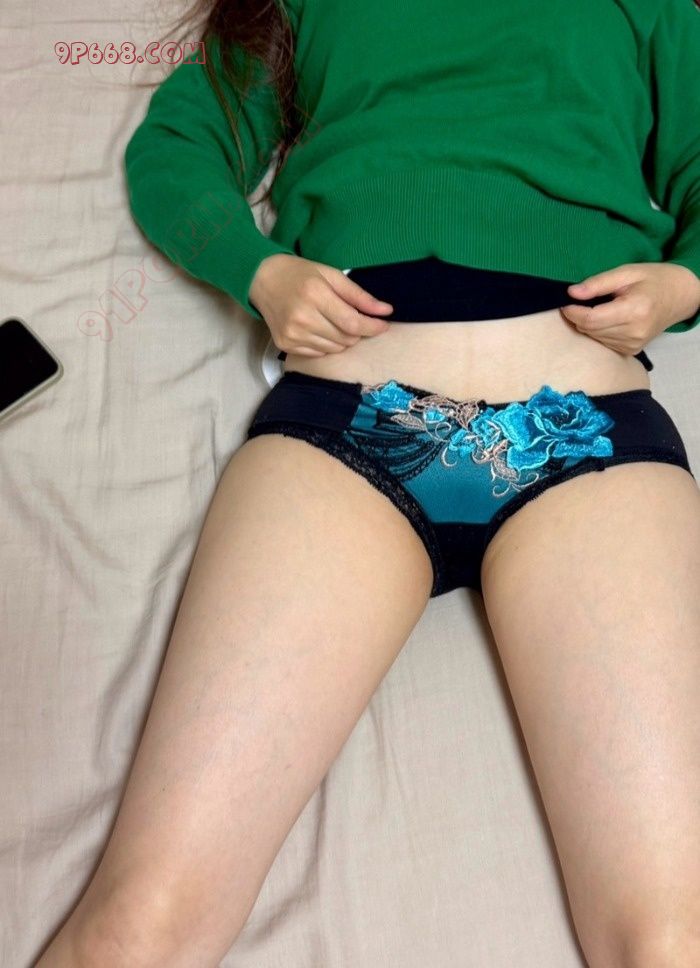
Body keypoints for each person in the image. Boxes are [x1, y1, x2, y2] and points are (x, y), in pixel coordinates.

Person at [36, 0, 700, 965]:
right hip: (349, 428)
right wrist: (258, 272)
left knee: (672, 938)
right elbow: (179, 147)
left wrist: (687, 283)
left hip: (585, 433)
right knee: (141, 922)